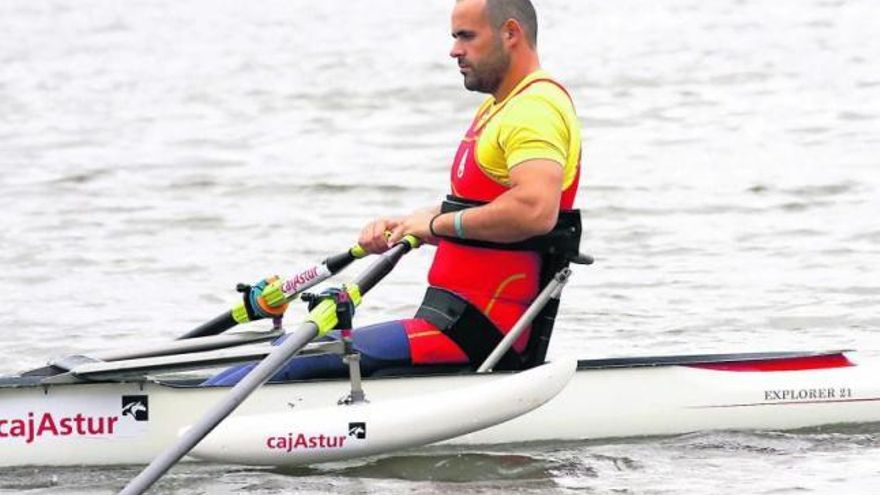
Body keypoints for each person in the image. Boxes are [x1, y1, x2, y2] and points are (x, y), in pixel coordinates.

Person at [204, 0, 581, 385]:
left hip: (477, 333)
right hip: (450, 318)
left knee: (272, 366)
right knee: (270, 357)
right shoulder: (501, 107)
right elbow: (485, 208)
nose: (454, 50)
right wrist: (411, 224)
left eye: (466, 36)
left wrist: (436, 225)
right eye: (454, 37)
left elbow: (534, 210)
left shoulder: (535, 108)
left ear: (511, 33)